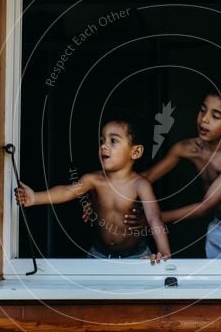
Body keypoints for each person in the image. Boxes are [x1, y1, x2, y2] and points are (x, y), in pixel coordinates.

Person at [129, 81, 221, 259]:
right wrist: (108, 188)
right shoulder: (185, 148)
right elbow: (147, 177)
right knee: (219, 282)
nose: (204, 119)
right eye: (203, 110)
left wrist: (154, 219)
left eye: (216, 116)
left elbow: (205, 206)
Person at [15, 111, 171, 264]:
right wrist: (35, 198)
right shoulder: (93, 180)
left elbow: (154, 218)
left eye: (113, 141)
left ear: (135, 152)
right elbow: (67, 191)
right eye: (102, 140)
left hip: (136, 255)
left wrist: (164, 251)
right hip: (99, 254)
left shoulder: (140, 184)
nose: (104, 146)